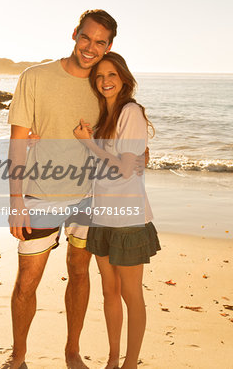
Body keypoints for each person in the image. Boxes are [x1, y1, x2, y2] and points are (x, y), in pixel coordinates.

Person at [0, 10, 117, 369]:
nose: (90, 47)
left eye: (100, 42)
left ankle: (72, 351)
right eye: (86, 37)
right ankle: (18, 357)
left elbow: (117, 136)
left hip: (88, 198)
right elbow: (18, 142)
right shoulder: (34, 77)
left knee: (79, 271)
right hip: (39, 196)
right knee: (27, 283)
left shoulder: (105, 85)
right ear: (74, 34)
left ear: (109, 46)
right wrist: (16, 200)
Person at [73, 52, 161, 369]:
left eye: (111, 74)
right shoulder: (103, 118)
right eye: (99, 76)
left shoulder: (130, 112)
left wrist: (89, 144)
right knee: (110, 292)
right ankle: (113, 360)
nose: (105, 81)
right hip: (102, 216)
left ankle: (130, 363)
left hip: (128, 220)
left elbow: (124, 169)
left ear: (123, 77)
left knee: (130, 294)